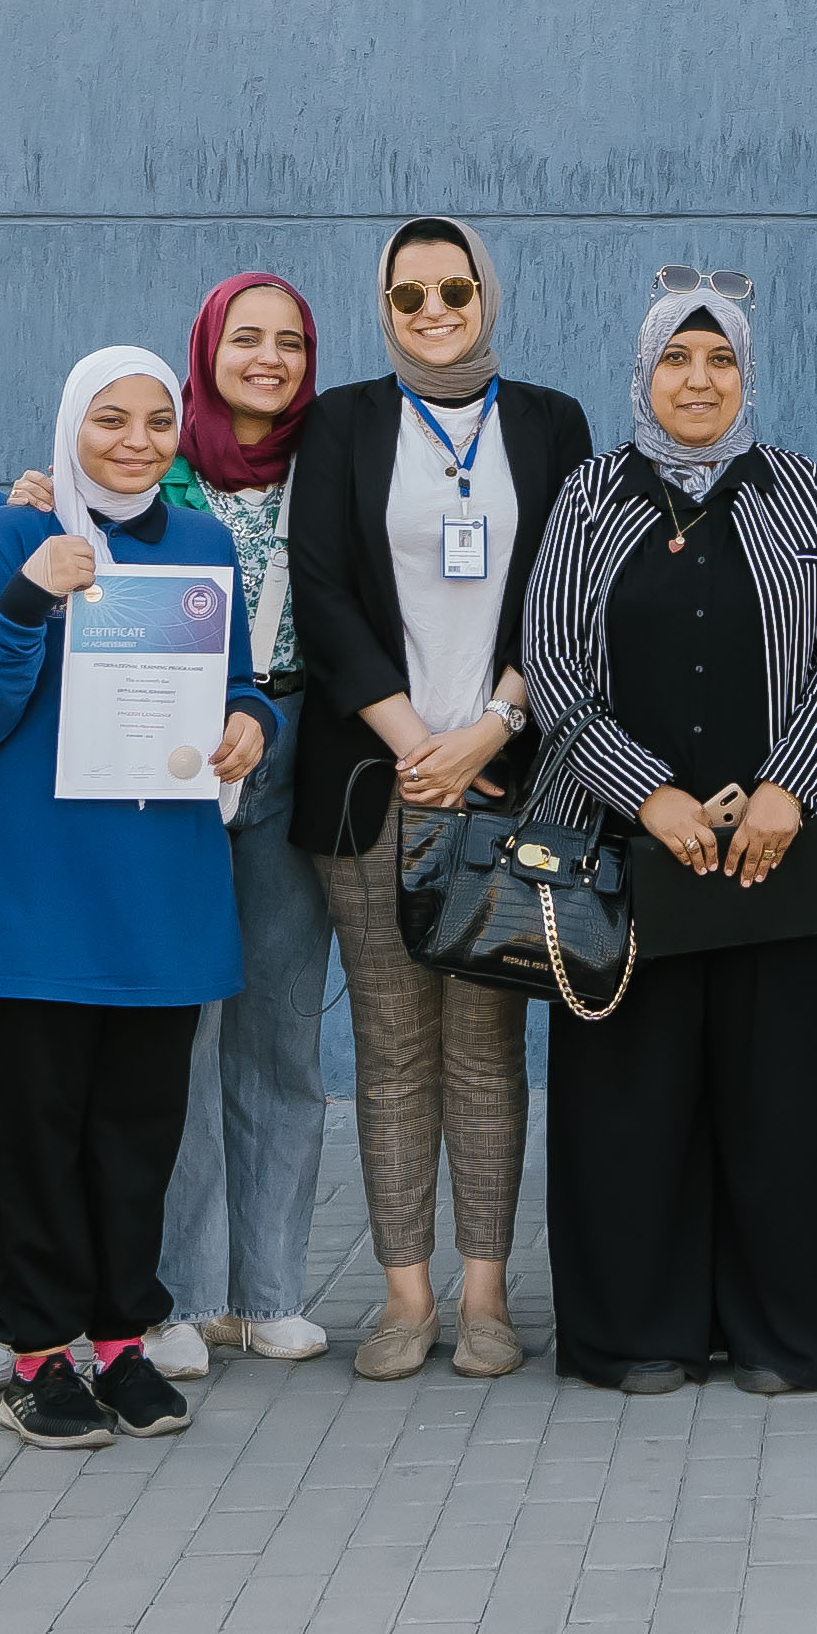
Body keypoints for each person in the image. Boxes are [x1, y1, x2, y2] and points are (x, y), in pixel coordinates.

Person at [525, 280, 817, 1396]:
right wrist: (652, 796)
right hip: (632, 857)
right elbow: (555, 667)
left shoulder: (795, 488)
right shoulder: (589, 495)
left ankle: (796, 1331)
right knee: (634, 1104)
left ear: (745, 374)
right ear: (643, 374)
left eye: (719, 361)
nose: (697, 381)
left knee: (792, 1098)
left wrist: (786, 788)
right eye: (676, 361)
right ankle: (641, 1330)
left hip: (789, 854)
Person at [0, 345, 277, 1445]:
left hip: (161, 887)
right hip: (36, 890)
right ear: (68, 427)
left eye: (154, 421)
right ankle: (39, 1355)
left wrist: (250, 725)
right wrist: (29, 595)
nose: (135, 442)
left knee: (139, 1132)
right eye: (108, 421)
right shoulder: (2, 538)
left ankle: (123, 1342)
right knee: (38, 1137)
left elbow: (234, 681)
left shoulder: (199, 542)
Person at [293, 218, 587, 1379]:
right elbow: (321, 591)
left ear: (487, 296)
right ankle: (404, 1296)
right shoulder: (345, 422)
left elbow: (569, 584)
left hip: (505, 778)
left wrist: (491, 728)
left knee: (487, 1046)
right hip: (380, 780)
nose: (431, 311)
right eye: (407, 295)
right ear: (384, 307)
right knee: (391, 1045)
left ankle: (487, 1296)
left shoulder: (551, 421)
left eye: (452, 289)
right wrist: (417, 738)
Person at [153, 270, 340, 1374]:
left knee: (278, 1026)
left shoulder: (334, 467)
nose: (269, 358)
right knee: (183, 1029)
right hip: (177, 750)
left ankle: (267, 1291)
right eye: (247, 338)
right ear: (209, 346)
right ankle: (176, 1294)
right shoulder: (148, 459)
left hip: (298, 745)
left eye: (291, 342)